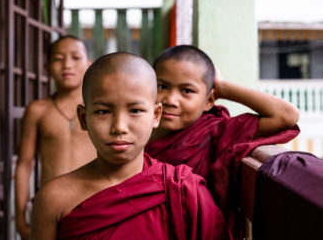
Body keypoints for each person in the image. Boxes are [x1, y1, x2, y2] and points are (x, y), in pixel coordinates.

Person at [30, 52, 232, 240]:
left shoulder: (182, 191)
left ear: (155, 116)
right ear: (83, 118)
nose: (119, 127)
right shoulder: (54, 199)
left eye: (135, 111)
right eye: (102, 112)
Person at [145, 45, 300, 238]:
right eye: (162, 86)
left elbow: (287, 115)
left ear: (209, 100)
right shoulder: (137, 129)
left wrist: (224, 87)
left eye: (186, 90)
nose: (171, 100)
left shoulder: (215, 131)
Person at [15, 35, 97, 239]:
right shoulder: (38, 110)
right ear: (47, 67)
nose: (67, 64)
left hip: (94, 203)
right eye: (58, 59)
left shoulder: (99, 108)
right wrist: (19, 218)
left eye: (75, 57)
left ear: (89, 65)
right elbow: (25, 165)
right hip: (50, 206)